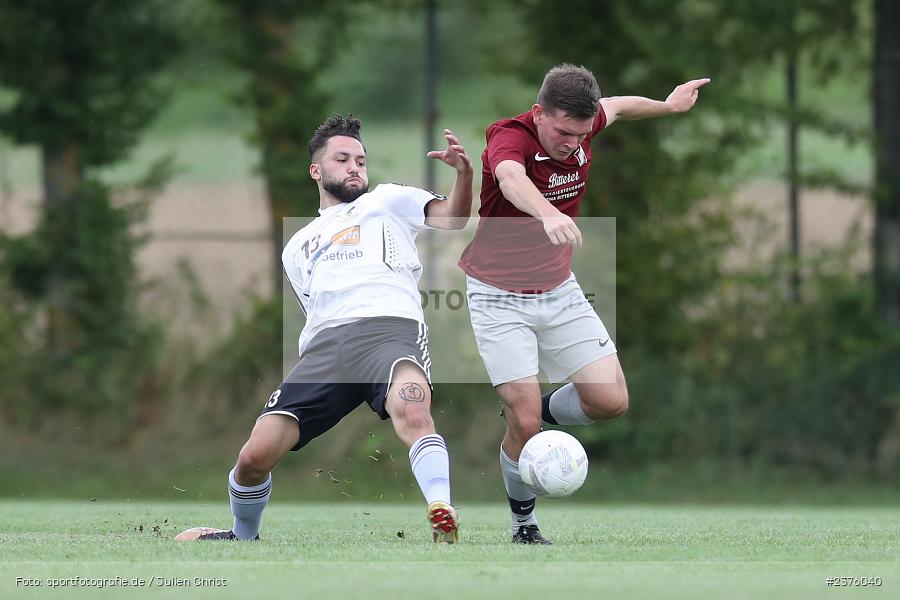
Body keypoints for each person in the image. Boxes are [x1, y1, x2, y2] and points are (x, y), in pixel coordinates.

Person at [176, 114, 473, 544]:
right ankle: (242, 538)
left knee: (412, 409)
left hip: (388, 331)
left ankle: (440, 507)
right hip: (326, 349)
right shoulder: (296, 245)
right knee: (254, 456)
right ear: (317, 171)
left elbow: (453, 218)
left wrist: (463, 176)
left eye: (361, 160)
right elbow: (314, 309)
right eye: (343, 158)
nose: (356, 167)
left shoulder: (387, 201)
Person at [458, 64, 710, 544]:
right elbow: (511, 179)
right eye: (562, 132)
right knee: (526, 422)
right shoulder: (507, 139)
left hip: (558, 289)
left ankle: (526, 410)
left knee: (611, 401)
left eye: (580, 133)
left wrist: (668, 105)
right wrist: (549, 213)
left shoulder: (585, 121)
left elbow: (617, 106)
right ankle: (524, 523)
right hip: (498, 297)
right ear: (539, 114)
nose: (572, 142)